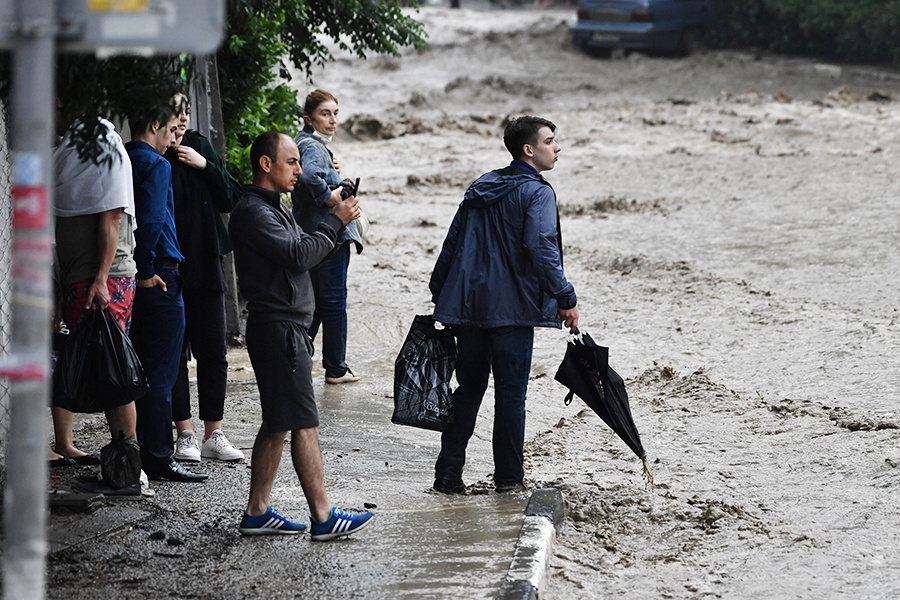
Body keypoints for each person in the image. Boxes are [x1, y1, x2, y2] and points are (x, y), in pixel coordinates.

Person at [229, 130, 374, 539]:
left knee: (277, 423)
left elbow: (304, 251)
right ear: (266, 164)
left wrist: (332, 224)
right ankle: (324, 517)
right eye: (292, 162)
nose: (299, 169)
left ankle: (257, 512)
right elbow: (297, 257)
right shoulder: (255, 212)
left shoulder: (274, 207)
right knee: (304, 423)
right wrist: (335, 221)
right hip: (279, 328)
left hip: (283, 327)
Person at [429, 115, 579, 494]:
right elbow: (541, 247)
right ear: (528, 150)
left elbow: (453, 242)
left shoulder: (482, 186)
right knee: (511, 396)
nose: (557, 148)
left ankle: (447, 476)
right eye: (550, 141)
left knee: (468, 389)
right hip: (511, 312)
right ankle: (508, 481)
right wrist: (565, 296)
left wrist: (440, 292)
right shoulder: (538, 193)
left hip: (469, 308)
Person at [52, 112, 142, 496]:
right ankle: (119, 469)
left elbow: (110, 217)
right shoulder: (69, 155)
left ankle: (127, 473)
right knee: (103, 370)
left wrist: (102, 280)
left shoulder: (106, 152)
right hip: (81, 280)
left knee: (114, 371)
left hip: (104, 282)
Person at [126, 98, 207, 483]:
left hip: (133, 275)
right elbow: (154, 218)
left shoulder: (123, 157)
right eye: (171, 128)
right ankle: (158, 457)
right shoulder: (156, 164)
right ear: (155, 123)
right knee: (162, 373)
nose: (173, 138)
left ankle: (139, 448)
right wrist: (146, 270)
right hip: (159, 274)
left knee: (139, 366)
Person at [165, 92, 245, 463]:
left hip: (206, 262)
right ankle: (185, 434)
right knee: (175, 353)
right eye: (173, 114)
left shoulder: (199, 145)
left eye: (184, 113)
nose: (181, 121)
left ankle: (214, 432)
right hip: (170, 267)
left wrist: (204, 164)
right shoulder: (153, 154)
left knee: (214, 350)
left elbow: (232, 196)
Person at [291, 90, 364, 384]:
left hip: (311, 233)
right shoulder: (314, 147)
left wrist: (337, 181)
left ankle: (296, 358)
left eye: (335, 113)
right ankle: (335, 368)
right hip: (330, 235)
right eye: (325, 114)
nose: (333, 120)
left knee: (317, 302)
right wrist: (330, 197)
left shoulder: (302, 143)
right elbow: (309, 177)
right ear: (309, 118)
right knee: (333, 302)